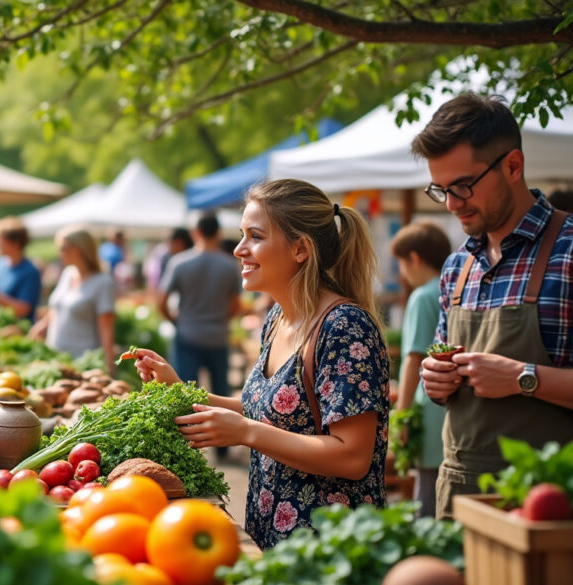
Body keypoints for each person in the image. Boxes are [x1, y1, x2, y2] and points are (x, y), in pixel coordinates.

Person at [136, 179, 389, 549]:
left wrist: (245, 432)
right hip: (275, 539)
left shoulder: (344, 327)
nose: (239, 250)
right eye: (241, 235)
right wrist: (180, 390)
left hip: (331, 549)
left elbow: (352, 456)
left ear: (301, 249)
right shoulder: (277, 318)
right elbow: (270, 409)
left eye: (255, 236)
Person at [414, 93, 573, 519]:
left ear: (513, 166)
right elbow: (441, 373)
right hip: (460, 497)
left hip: (551, 508)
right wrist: (436, 380)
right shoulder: (455, 267)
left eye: (463, 186)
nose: (451, 204)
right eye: (441, 190)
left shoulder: (570, 251)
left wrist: (524, 377)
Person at [389, 221, 452, 517]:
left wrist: (401, 416)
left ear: (413, 258)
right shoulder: (453, 289)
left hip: (428, 408)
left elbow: (413, 359)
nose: (402, 273)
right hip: (452, 407)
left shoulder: (422, 296)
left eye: (401, 264)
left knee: (426, 494)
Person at [159, 213, 241, 401]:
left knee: (185, 396)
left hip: (188, 334)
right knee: (221, 395)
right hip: (218, 336)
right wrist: (221, 319)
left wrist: (176, 321)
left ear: (195, 232)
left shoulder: (179, 263)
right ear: (218, 233)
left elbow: (161, 301)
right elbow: (236, 305)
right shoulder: (229, 265)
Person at [29, 226, 117, 368]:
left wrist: (109, 367)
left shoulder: (103, 283)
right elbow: (58, 307)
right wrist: (42, 325)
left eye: (63, 248)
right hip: (55, 359)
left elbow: (106, 329)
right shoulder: (68, 274)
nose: (60, 253)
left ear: (78, 249)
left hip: (82, 363)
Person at [0, 216, 41, 320]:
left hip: (17, 331)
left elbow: (23, 309)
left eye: (0, 241)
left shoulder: (30, 271)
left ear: (14, 243)